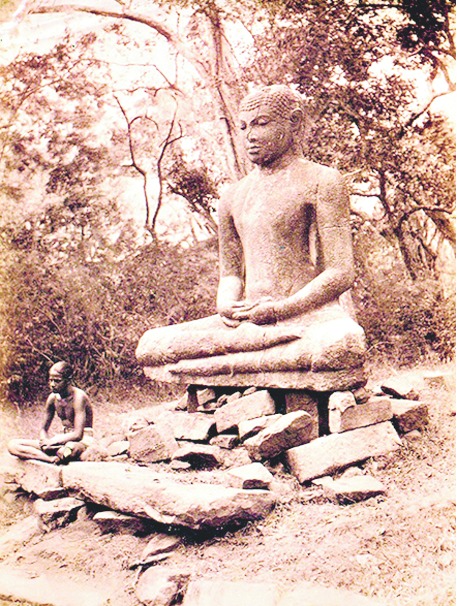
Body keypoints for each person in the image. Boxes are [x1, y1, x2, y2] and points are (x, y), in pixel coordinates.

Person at [136, 84, 366, 377]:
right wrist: (226, 304)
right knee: (152, 344)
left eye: (261, 123)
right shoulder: (233, 196)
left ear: (294, 122)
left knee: (341, 343)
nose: (250, 136)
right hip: (246, 321)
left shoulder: (322, 181)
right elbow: (231, 274)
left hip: (308, 315)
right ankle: (262, 353)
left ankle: (235, 361)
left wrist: (281, 310)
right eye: (243, 127)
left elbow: (341, 272)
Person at [8, 361, 94, 464]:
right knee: (13, 445)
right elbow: (43, 429)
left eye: (57, 381)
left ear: (68, 380)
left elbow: (78, 434)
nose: (52, 384)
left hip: (80, 441)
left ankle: (58, 454)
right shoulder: (53, 398)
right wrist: (45, 443)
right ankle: (50, 459)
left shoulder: (79, 397)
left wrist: (53, 442)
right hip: (59, 441)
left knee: (67, 450)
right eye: (51, 380)